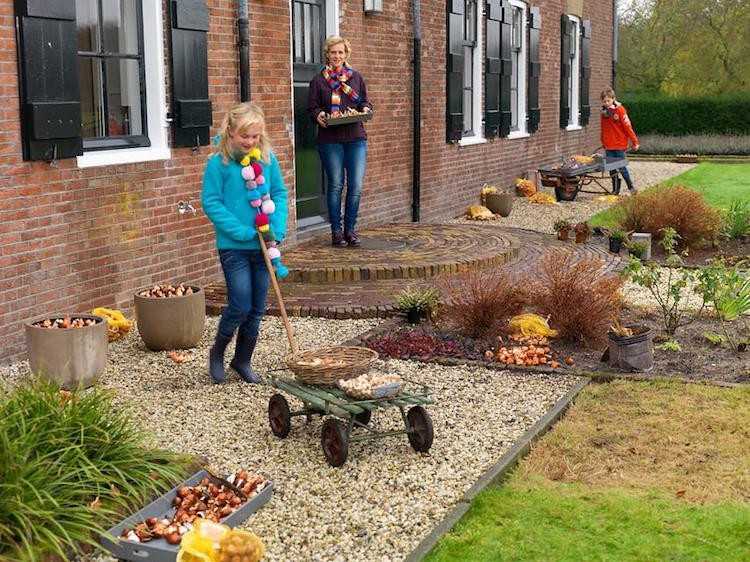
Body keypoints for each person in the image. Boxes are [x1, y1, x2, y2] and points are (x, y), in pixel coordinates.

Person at [201, 103, 287, 384]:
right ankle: (218, 353)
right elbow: (211, 203)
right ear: (230, 132)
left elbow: (279, 193)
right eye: (245, 136)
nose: (250, 142)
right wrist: (240, 231)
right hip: (234, 246)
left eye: (255, 136)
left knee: (258, 307)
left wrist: (278, 227)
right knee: (240, 302)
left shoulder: (267, 159)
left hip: (264, 244)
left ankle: (242, 360)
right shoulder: (219, 164)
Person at [308, 36, 373, 247]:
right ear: (327, 54)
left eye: (340, 52)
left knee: (356, 186)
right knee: (336, 185)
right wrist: (319, 116)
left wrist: (364, 109)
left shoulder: (356, 78)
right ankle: (336, 232)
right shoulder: (318, 80)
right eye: (333, 52)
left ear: (346, 54)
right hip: (330, 139)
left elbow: (364, 101)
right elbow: (312, 108)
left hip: (356, 138)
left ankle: (350, 230)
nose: (337, 56)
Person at [600, 87, 640, 194]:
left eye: (608, 101)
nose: (606, 103)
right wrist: (603, 142)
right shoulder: (603, 113)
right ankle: (615, 189)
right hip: (609, 145)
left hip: (619, 144)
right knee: (612, 169)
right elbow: (603, 129)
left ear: (613, 99)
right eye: (604, 101)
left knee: (622, 167)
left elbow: (628, 127)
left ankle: (631, 187)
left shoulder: (620, 110)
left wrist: (635, 142)